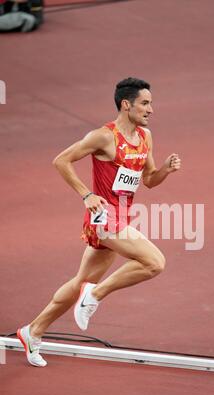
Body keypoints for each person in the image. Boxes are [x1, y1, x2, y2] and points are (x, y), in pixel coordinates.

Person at [17, 77, 181, 367]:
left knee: (80, 282)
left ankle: (33, 331)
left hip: (122, 215)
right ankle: (96, 294)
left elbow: (149, 180)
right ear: (126, 104)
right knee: (154, 262)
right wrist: (86, 195)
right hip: (103, 219)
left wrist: (165, 170)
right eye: (145, 103)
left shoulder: (146, 137)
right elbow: (61, 161)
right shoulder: (103, 137)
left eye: (151, 103)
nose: (151, 109)